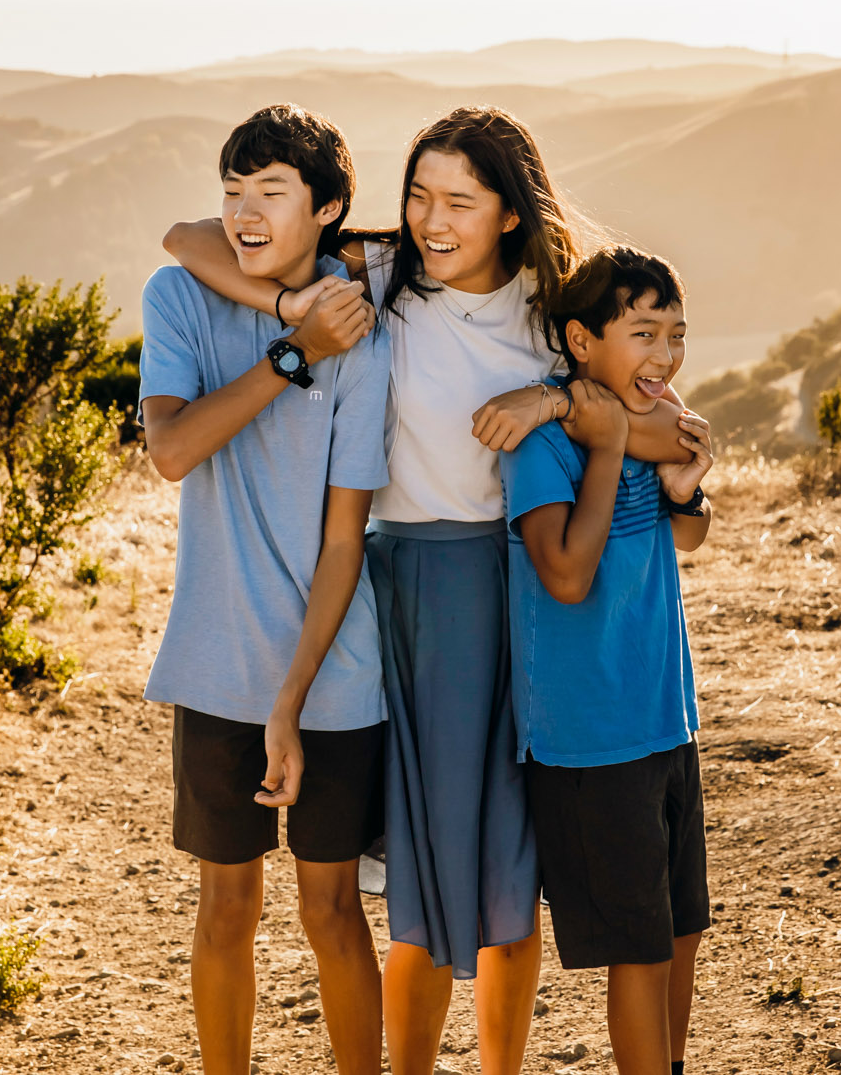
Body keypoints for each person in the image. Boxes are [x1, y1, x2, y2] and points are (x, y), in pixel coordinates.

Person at [164, 105, 704, 1075]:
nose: (430, 217)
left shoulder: (551, 310)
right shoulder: (374, 278)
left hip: (515, 596)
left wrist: (551, 400)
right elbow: (187, 239)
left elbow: (665, 429)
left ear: (508, 211)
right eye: (418, 194)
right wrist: (293, 312)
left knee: (510, 868)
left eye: (458, 199)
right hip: (400, 596)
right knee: (414, 863)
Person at [139, 103, 390, 1075]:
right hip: (213, 658)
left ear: (326, 207)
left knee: (328, 907)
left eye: (270, 194)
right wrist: (290, 351)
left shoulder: (361, 328)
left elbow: (343, 541)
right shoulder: (178, 297)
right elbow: (170, 451)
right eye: (232, 192)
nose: (244, 214)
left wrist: (291, 698)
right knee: (225, 906)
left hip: (334, 667)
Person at [500, 247, 714, 1075]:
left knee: (682, 930)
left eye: (676, 335)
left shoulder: (657, 417)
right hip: (589, 739)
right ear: (582, 340)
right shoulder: (545, 446)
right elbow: (564, 573)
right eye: (644, 333)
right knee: (641, 948)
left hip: (665, 716)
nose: (665, 356)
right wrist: (606, 448)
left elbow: (687, 532)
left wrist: (686, 488)